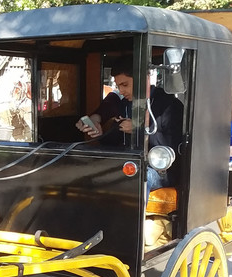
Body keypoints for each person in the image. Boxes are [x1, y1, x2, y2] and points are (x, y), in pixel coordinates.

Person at [75, 55, 184, 194]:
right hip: (128, 163)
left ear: (143, 79)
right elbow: (117, 140)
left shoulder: (168, 105)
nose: (121, 91)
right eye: (118, 86)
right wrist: (101, 133)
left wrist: (139, 130)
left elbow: (173, 146)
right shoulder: (126, 104)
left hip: (159, 170)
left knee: (139, 177)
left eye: (125, 85)